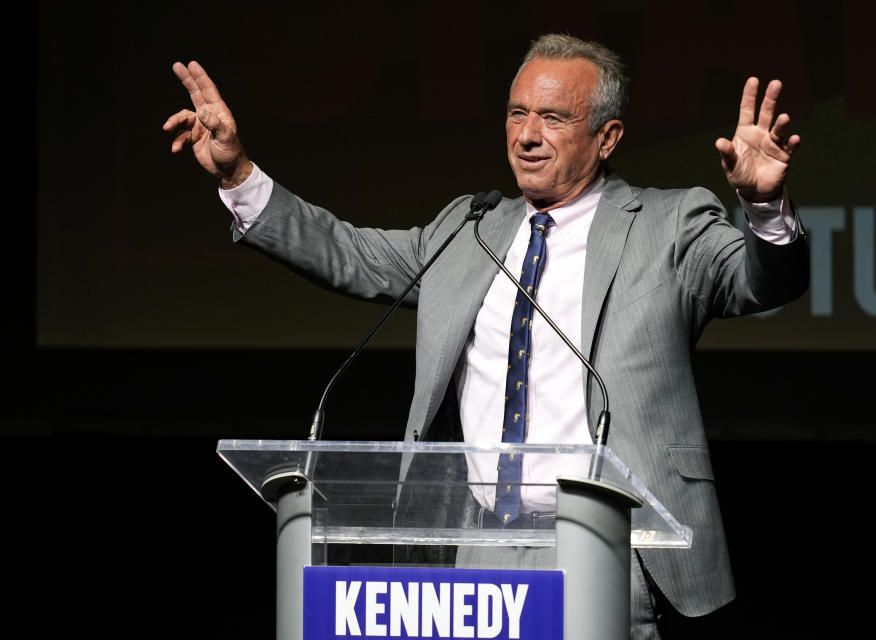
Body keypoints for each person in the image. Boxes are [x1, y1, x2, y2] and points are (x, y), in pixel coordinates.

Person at [164, 34, 807, 638]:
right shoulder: (467, 229)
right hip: (473, 549)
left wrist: (764, 210)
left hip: (609, 542)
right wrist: (238, 174)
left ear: (606, 137)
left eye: (553, 118)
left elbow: (758, 281)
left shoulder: (670, 224)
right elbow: (350, 253)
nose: (527, 135)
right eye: (516, 113)